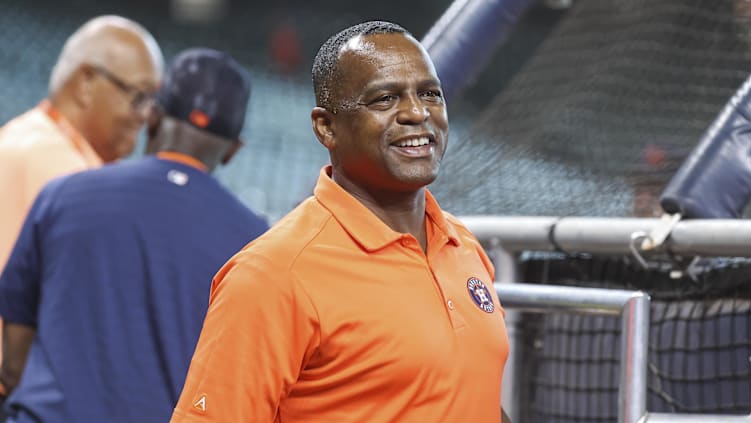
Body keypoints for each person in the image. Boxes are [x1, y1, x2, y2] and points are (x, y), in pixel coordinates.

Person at [171, 21, 510, 423]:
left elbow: (470, 390)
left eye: (430, 94)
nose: (417, 113)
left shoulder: (464, 246)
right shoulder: (273, 274)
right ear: (326, 127)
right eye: (385, 99)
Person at [0, 48, 269, 423]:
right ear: (233, 150)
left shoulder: (65, 194)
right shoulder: (260, 244)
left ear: (154, 117)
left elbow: (12, 361)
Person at [0, 15, 164, 273]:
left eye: (151, 101)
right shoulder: (56, 163)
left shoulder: (27, 135)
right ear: (86, 82)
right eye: (139, 96)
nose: (145, 115)